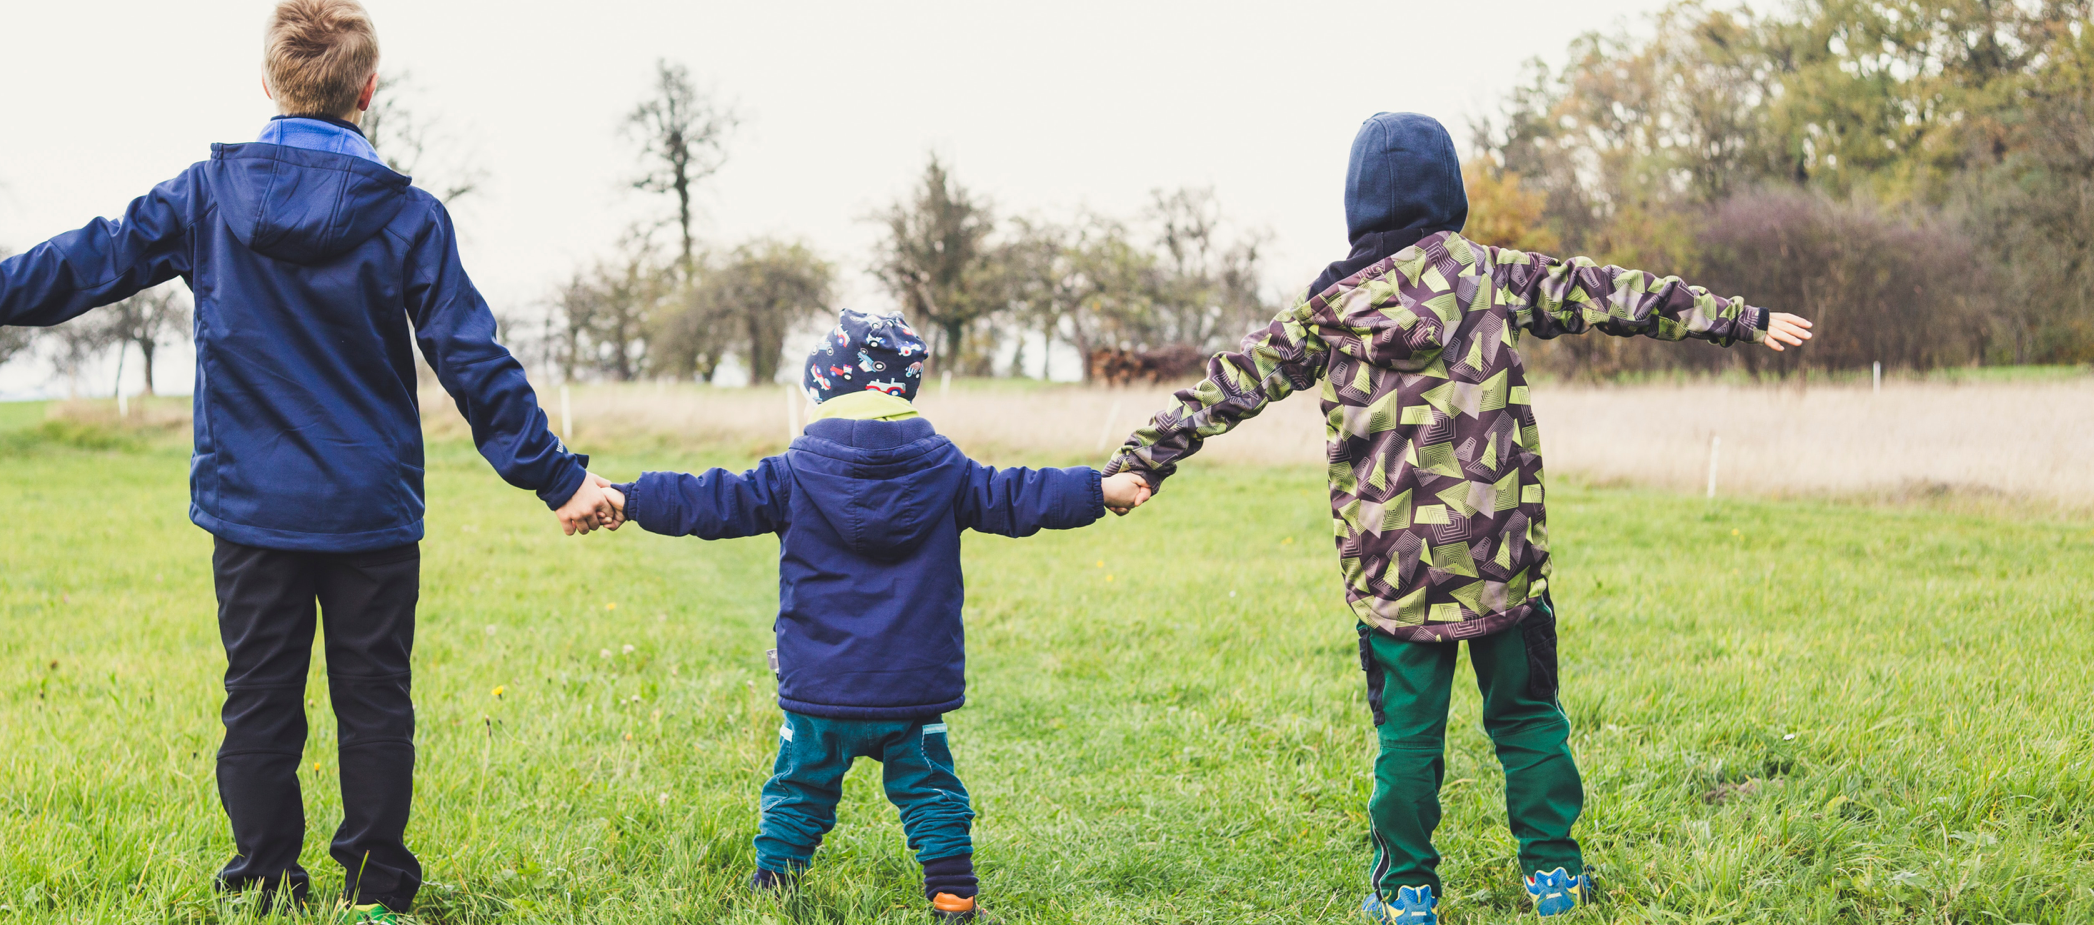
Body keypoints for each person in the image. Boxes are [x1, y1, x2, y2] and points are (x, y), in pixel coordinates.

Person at [0, 0, 620, 921]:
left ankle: (262, 884)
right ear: (368, 89)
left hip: (252, 508)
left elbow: (75, 265)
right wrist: (558, 477)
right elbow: (472, 360)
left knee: (258, 701)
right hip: (369, 510)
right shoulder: (410, 216)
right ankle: (376, 894)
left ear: (266, 80)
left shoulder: (207, 197)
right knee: (375, 701)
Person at [1101, 112, 1813, 924]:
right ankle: (1554, 877)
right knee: (1527, 719)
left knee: (1407, 742)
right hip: (1500, 557)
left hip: (1395, 575)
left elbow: (1229, 383)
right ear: (1451, 193)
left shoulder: (1326, 312)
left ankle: (1406, 890)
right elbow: (1611, 293)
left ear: (1357, 205)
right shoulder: (1490, 276)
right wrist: (1740, 319)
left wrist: (1141, 460)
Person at [596, 309, 1148, 923]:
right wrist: (1100, 490)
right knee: (932, 793)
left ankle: (773, 886)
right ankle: (953, 896)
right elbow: (1021, 494)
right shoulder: (948, 470)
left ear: (824, 388)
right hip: (910, 687)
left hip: (819, 687)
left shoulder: (792, 473)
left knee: (799, 788)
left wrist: (630, 497)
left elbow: (711, 499)